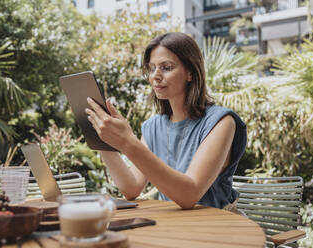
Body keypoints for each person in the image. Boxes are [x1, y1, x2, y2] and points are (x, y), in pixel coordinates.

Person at [85, 32, 247, 210]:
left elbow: (189, 195)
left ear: (190, 73)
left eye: (166, 67)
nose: (155, 75)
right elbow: (131, 188)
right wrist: (101, 137)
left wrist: (128, 142)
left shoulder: (221, 122)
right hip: (173, 227)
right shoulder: (153, 126)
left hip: (219, 227)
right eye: (152, 68)